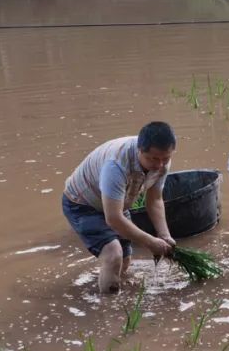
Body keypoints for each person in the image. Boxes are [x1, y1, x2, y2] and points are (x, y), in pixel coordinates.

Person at [62, 122, 177, 293]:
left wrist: (164, 235)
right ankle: (108, 312)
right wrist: (151, 242)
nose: (160, 165)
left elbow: (154, 200)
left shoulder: (160, 161)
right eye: (153, 159)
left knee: (125, 259)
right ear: (140, 150)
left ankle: (110, 287)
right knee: (113, 254)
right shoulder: (116, 165)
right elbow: (113, 218)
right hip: (83, 204)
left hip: (116, 203)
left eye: (165, 159)